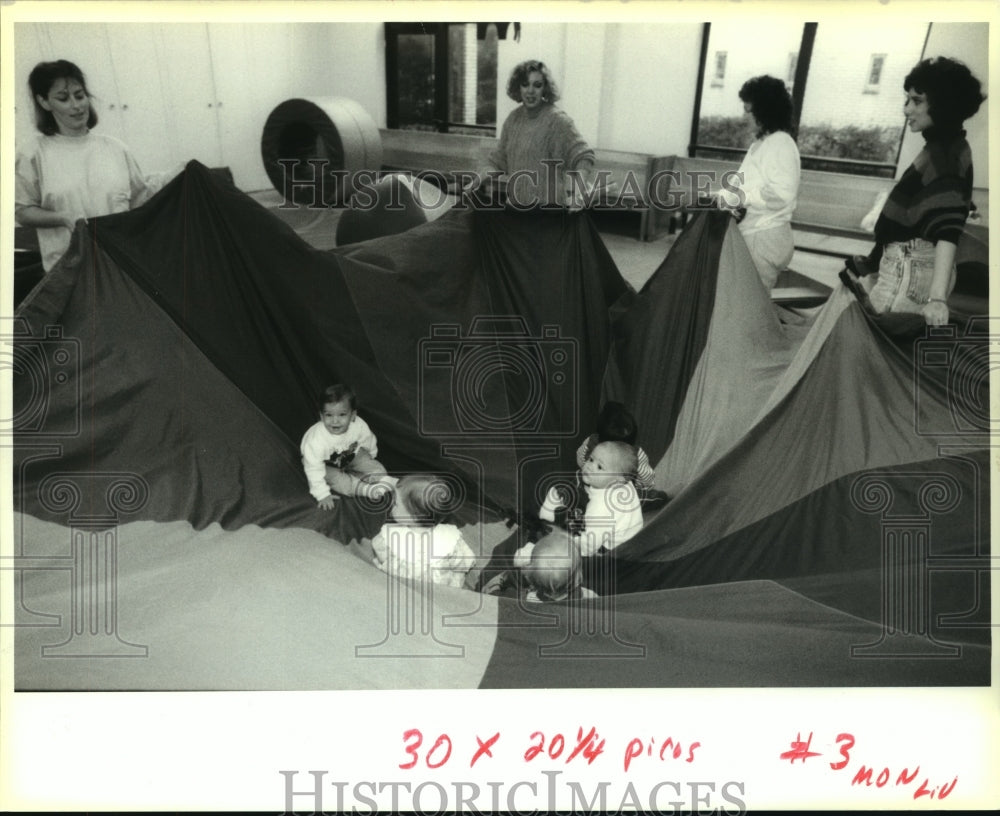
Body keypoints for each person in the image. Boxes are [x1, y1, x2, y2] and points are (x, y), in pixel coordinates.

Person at [847, 57, 985, 327]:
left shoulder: (946, 156)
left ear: (943, 105)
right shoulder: (941, 148)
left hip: (910, 272)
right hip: (907, 268)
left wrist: (937, 299)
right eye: (907, 99)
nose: (907, 109)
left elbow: (948, 231)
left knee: (876, 350)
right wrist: (873, 263)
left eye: (917, 101)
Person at [14, 60, 175, 272]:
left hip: (119, 267)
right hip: (68, 271)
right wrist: (63, 218)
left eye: (80, 95)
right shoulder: (32, 154)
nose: (76, 105)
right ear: (44, 102)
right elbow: (22, 212)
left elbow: (140, 198)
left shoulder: (116, 149)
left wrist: (176, 176)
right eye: (63, 98)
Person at [720, 75, 801, 292]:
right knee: (743, 302)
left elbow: (780, 194)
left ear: (765, 111)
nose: (744, 116)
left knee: (751, 307)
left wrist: (740, 197)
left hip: (764, 237)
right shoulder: (762, 143)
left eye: (748, 111)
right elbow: (743, 184)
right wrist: (721, 195)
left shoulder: (781, 144)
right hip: (756, 233)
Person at [484, 59, 597, 210]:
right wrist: (478, 179)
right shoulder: (513, 119)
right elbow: (498, 161)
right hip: (516, 209)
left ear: (545, 89)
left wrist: (578, 195)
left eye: (537, 85)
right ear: (518, 87)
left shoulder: (557, 120)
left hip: (548, 214)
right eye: (525, 84)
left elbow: (583, 157)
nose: (530, 91)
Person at [371, 474, 477, 589]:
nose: (391, 505)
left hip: (405, 588)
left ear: (414, 516)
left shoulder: (391, 535)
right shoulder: (450, 538)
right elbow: (465, 562)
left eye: (396, 504)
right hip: (442, 592)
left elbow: (382, 555)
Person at [539, 440, 644, 557]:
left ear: (618, 480)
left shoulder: (602, 507)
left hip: (614, 551)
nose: (589, 467)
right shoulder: (625, 482)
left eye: (600, 467)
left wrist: (568, 541)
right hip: (632, 531)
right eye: (591, 459)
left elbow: (589, 546)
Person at [300, 384, 390, 508]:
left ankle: (371, 477)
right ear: (321, 416)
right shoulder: (315, 441)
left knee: (378, 470)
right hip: (325, 465)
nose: (335, 421)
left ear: (353, 415)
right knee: (338, 481)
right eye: (329, 415)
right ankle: (364, 489)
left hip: (350, 455)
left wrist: (371, 456)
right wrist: (322, 494)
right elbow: (313, 469)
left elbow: (368, 439)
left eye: (342, 415)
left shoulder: (358, 425)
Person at [576, 401, 655, 493]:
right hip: (607, 491)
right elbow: (647, 480)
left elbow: (580, 459)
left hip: (607, 491)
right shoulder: (636, 454)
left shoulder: (591, 441)